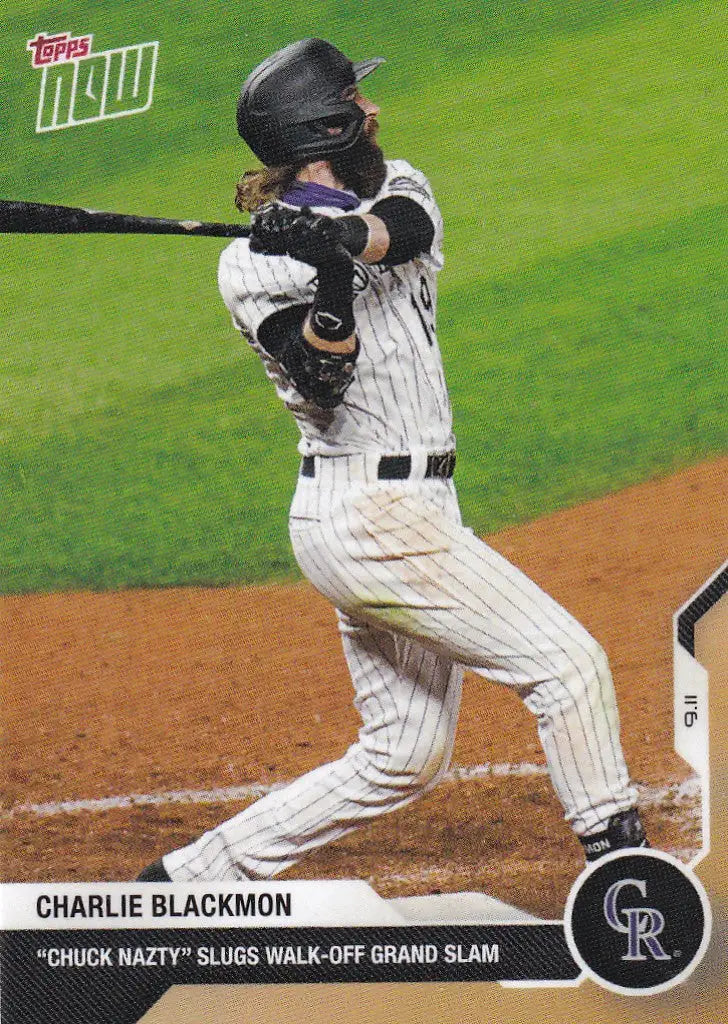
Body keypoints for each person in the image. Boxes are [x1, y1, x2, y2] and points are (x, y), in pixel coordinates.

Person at [138, 38, 648, 883]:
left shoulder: (401, 183)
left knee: (403, 755)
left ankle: (193, 879)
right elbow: (321, 374)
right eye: (356, 100)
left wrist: (333, 237)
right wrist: (323, 279)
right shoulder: (248, 267)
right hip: (366, 519)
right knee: (567, 666)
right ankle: (628, 882)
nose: (373, 109)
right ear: (332, 125)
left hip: (417, 511)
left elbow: (400, 232)